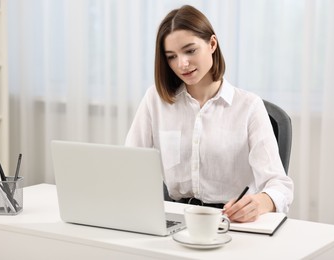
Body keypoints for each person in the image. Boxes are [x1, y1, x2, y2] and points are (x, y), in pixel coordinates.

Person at [125, 5, 293, 223]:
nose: (182, 64)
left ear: (212, 44)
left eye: (190, 50)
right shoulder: (155, 100)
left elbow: (280, 185)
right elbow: (128, 166)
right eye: (171, 56)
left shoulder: (249, 107)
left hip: (231, 222)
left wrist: (261, 202)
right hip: (175, 220)